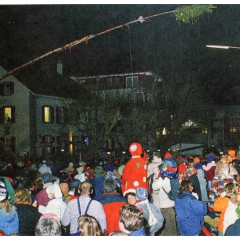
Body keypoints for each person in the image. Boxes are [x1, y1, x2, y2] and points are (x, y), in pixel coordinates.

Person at [151, 152, 178, 236]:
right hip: (173, 204)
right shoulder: (172, 177)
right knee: (173, 227)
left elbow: (154, 187)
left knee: (166, 229)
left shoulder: (162, 179)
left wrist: (157, 177)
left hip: (165, 206)